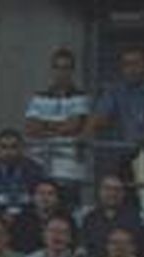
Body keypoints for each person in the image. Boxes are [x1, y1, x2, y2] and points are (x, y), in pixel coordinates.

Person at [24, 48, 90, 194]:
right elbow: (30, 128)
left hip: (68, 168)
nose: (61, 73)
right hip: (39, 163)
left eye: (66, 68)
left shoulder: (81, 97)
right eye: (58, 68)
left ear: (72, 71)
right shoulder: (38, 97)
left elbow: (74, 126)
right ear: (52, 70)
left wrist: (44, 124)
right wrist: (59, 127)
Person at [87, 44, 144, 145]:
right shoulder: (115, 90)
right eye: (126, 65)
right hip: (125, 150)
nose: (131, 69)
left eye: (136, 64)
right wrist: (85, 135)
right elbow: (99, 117)